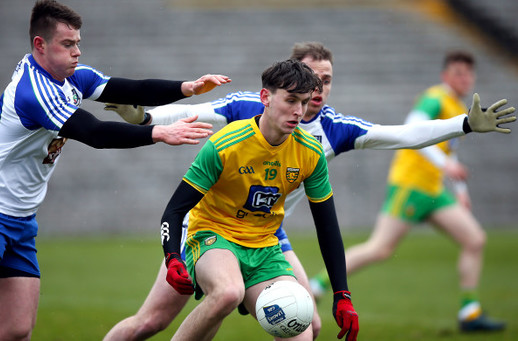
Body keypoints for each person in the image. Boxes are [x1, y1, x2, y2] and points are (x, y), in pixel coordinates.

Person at [103, 42, 515, 340]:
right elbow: (193, 113)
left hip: (268, 235)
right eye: (309, 81)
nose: (317, 90)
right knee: (151, 323)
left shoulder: (330, 134)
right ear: (287, 81)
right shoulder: (251, 109)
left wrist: (461, 124)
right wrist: (145, 116)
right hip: (207, 225)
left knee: (309, 324)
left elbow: (402, 134)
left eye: (326, 81)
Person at [0, 0, 231, 340]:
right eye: (68, 44)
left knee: (14, 329)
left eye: (78, 42)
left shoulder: (71, 77)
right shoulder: (34, 91)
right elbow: (93, 133)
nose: (77, 51)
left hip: (21, 218)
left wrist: (187, 87)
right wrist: (159, 133)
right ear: (40, 45)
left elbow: (130, 88)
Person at [309, 50, 513, 332]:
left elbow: (447, 151)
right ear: (445, 76)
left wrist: (460, 188)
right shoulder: (435, 98)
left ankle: (470, 312)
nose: (464, 78)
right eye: (457, 73)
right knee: (379, 249)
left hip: (434, 190)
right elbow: (413, 126)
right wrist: (446, 164)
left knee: (475, 239)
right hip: (411, 185)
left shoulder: (455, 103)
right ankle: (316, 285)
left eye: (468, 73)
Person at [159, 58, 358, 341]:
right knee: (229, 293)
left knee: (303, 330)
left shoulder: (311, 153)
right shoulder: (225, 144)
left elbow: (327, 228)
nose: (298, 111)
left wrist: (342, 294)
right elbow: (174, 210)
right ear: (265, 97)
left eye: (304, 102)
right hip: (213, 236)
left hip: (264, 246)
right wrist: (172, 256)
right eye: (290, 100)